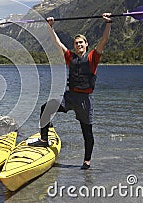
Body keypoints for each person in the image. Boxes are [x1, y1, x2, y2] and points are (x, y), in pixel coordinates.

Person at [28, 13, 112, 170]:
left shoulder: (93, 56)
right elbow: (57, 43)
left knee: (87, 131)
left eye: (81, 43)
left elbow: (104, 40)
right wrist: (50, 27)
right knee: (45, 108)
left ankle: (87, 161)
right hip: (69, 97)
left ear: (86, 44)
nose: (79, 45)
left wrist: (108, 23)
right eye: (76, 43)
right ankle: (44, 140)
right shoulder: (69, 57)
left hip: (84, 100)